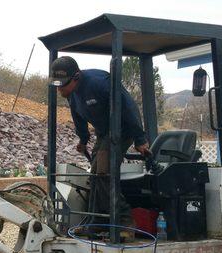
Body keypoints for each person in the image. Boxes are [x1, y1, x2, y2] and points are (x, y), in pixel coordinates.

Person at [50, 56, 150, 229]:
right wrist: (83, 139)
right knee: (95, 176)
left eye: (63, 85)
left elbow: (129, 107)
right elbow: (78, 118)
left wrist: (140, 139)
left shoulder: (99, 82)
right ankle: (97, 220)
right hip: (104, 134)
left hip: (122, 129)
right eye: (57, 85)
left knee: (103, 173)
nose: (60, 90)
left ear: (76, 77)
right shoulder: (72, 94)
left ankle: (124, 220)